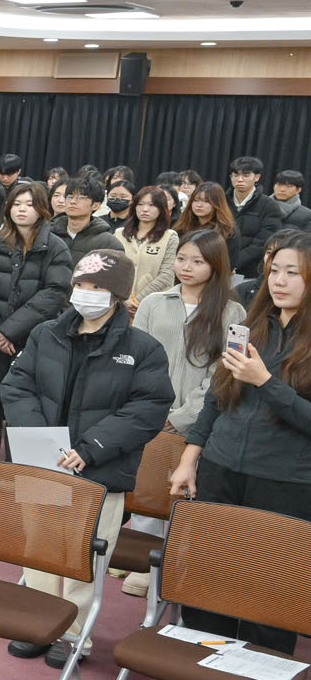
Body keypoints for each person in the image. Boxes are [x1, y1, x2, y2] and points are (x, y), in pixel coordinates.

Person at [169, 230, 311, 680]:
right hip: (222, 466)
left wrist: (266, 383)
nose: (279, 281)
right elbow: (217, 396)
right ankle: (211, 679)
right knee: (210, 577)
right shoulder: (253, 325)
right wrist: (190, 458)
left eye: (293, 272)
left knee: (267, 585)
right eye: (275, 271)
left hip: (285, 479)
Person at [0, 250, 173, 664]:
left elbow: (147, 409)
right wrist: (39, 436)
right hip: (44, 460)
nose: (85, 293)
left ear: (117, 295)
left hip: (100, 469)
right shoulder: (46, 333)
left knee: (84, 556)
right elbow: (17, 385)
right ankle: (38, 624)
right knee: (39, 549)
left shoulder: (143, 348)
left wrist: (91, 447)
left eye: (96, 287)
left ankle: (74, 636)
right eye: (80, 285)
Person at [130, 227, 242, 595]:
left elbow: (222, 374)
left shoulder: (232, 312)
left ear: (216, 265)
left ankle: (178, 567)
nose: (186, 267)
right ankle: (144, 567)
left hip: (197, 422)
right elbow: (135, 357)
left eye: (198, 261)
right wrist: (151, 408)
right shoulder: (154, 302)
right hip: (147, 413)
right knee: (146, 491)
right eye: (181, 259)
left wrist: (180, 416)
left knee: (185, 496)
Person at [0, 180, 72, 461]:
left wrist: (9, 331)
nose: (21, 210)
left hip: (33, 343)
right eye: (16, 204)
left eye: (29, 204)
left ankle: (19, 475)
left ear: (42, 209)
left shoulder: (56, 248)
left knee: (25, 412)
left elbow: (54, 294)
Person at [119, 185, 180, 312]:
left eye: (152, 205)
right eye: (140, 204)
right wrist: (123, 298)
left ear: (161, 209)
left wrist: (137, 301)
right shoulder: (119, 234)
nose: (145, 209)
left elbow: (166, 276)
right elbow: (112, 270)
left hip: (154, 305)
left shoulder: (170, 237)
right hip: (120, 303)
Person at [227, 155, 285, 276]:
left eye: (246, 175)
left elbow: (264, 241)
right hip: (218, 264)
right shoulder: (221, 201)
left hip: (251, 270)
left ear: (257, 177)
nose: (240, 179)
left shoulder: (269, 205)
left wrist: (234, 263)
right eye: (235, 175)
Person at [50, 175, 128, 263]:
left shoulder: (108, 243)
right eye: (70, 196)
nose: (73, 201)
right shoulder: (50, 233)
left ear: (96, 205)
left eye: (81, 197)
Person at [172, 182, 234, 252]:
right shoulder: (182, 226)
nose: (199, 205)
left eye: (206, 201)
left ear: (217, 203)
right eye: (195, 200)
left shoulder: (227, 230)